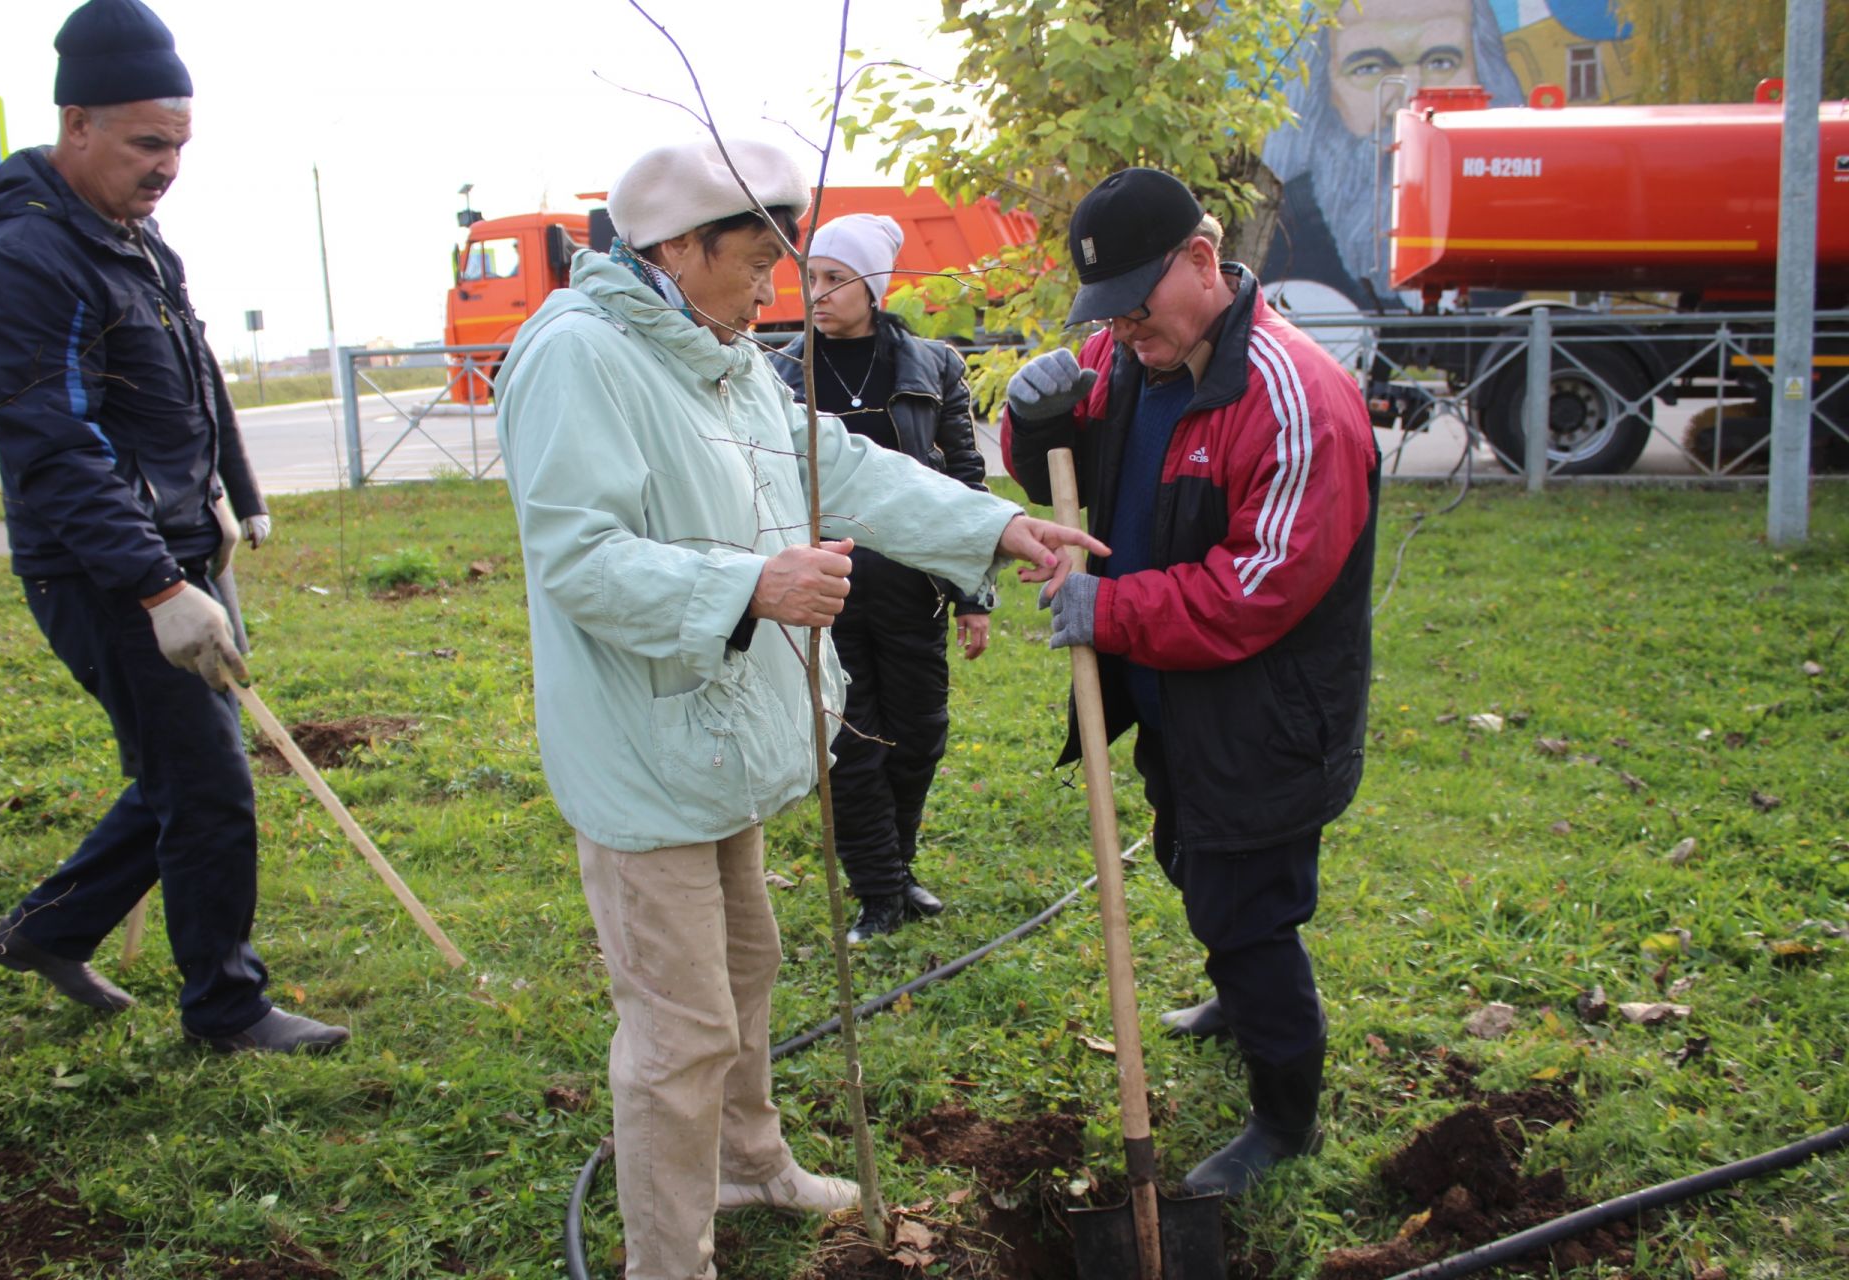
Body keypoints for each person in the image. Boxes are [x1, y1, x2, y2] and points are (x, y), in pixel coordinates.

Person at [495, 136, 1104, 1280]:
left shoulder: (716, 353)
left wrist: (991, 527)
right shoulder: (580, 358)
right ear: (676, 247)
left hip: (714, 733)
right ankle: (668, 1259)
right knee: (679, 1030)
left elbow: (841, 466)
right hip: (643, 746)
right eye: (756, 258)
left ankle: (749, 1158)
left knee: (749, 962)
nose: (777, 283)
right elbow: (575, 557)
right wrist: (749, 585)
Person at [0, 0, 340, 1055]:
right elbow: (52, 443)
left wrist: (238, 483)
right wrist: (157, 589)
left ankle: (51, 927)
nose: (169, 166)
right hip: (104, 566)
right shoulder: (28, 260)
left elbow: (197, 374)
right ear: (76, 125)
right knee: (210, 783)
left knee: (184, 767)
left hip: (178, 545)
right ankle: (225, 1008)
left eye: (179, 144)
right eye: (146, 143)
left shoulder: (132, 238)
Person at [1002, 168, 1379, 1197]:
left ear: (1203, 264)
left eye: (1135, 303)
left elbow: (1257, 588)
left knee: (1249, 907)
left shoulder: (1297, 399)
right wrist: (1033, 424)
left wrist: (1109, 612)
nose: (1119, 329)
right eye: (1105, 310)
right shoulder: (1127, 358)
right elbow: (1061, 478)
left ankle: (1284, 1113)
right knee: (1188, 848)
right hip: (1177, 699)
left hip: (1265, 715)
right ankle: (1233, 993)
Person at [769, 213, 991, 944]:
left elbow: (964, 481)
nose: (818, 294)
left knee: (919, 734)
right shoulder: (778, 371)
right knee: (851, 741)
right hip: (824, 588)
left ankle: (900, 865)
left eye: (836, 278)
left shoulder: (931, 367)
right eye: (810, 277)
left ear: (873, 285)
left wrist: (973, 595)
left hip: (914, 586)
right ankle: (877, 891)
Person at [1260, 0, 1523, 310]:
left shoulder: (1517, 230)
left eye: (1441, 62)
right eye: (1369, 67)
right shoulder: (1282, 229)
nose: (1409, 99)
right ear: (1323, 90)